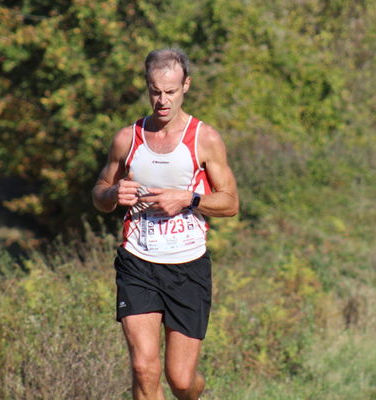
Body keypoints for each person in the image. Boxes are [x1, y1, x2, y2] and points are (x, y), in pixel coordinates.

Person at [92, 48, 239, 400]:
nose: (162, 100)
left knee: (182, 381)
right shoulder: (127, 138)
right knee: (144, 369)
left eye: (170, 91)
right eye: (155, 91)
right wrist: (113, 193)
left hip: (187, 267)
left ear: (186, 86)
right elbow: (98, 194)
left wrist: (190, 199)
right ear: (147, 88)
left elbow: (231, 203)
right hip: (138, 262)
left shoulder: (204, 138)